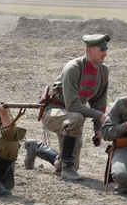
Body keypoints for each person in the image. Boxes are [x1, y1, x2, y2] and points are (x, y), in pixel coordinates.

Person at [42, 33, 110, 182]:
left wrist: (98, 129)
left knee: (68, 163)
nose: (105, 53)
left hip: (72, 118)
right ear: (89, 50)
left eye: (106, 49)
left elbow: (98, 103)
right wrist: (100, 116)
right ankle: (67, 169)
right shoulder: (73, 68)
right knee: (77, 118)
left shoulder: (103, 71)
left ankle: (37, 148)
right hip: (54, 112)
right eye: (101, 50)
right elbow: (72, 105)